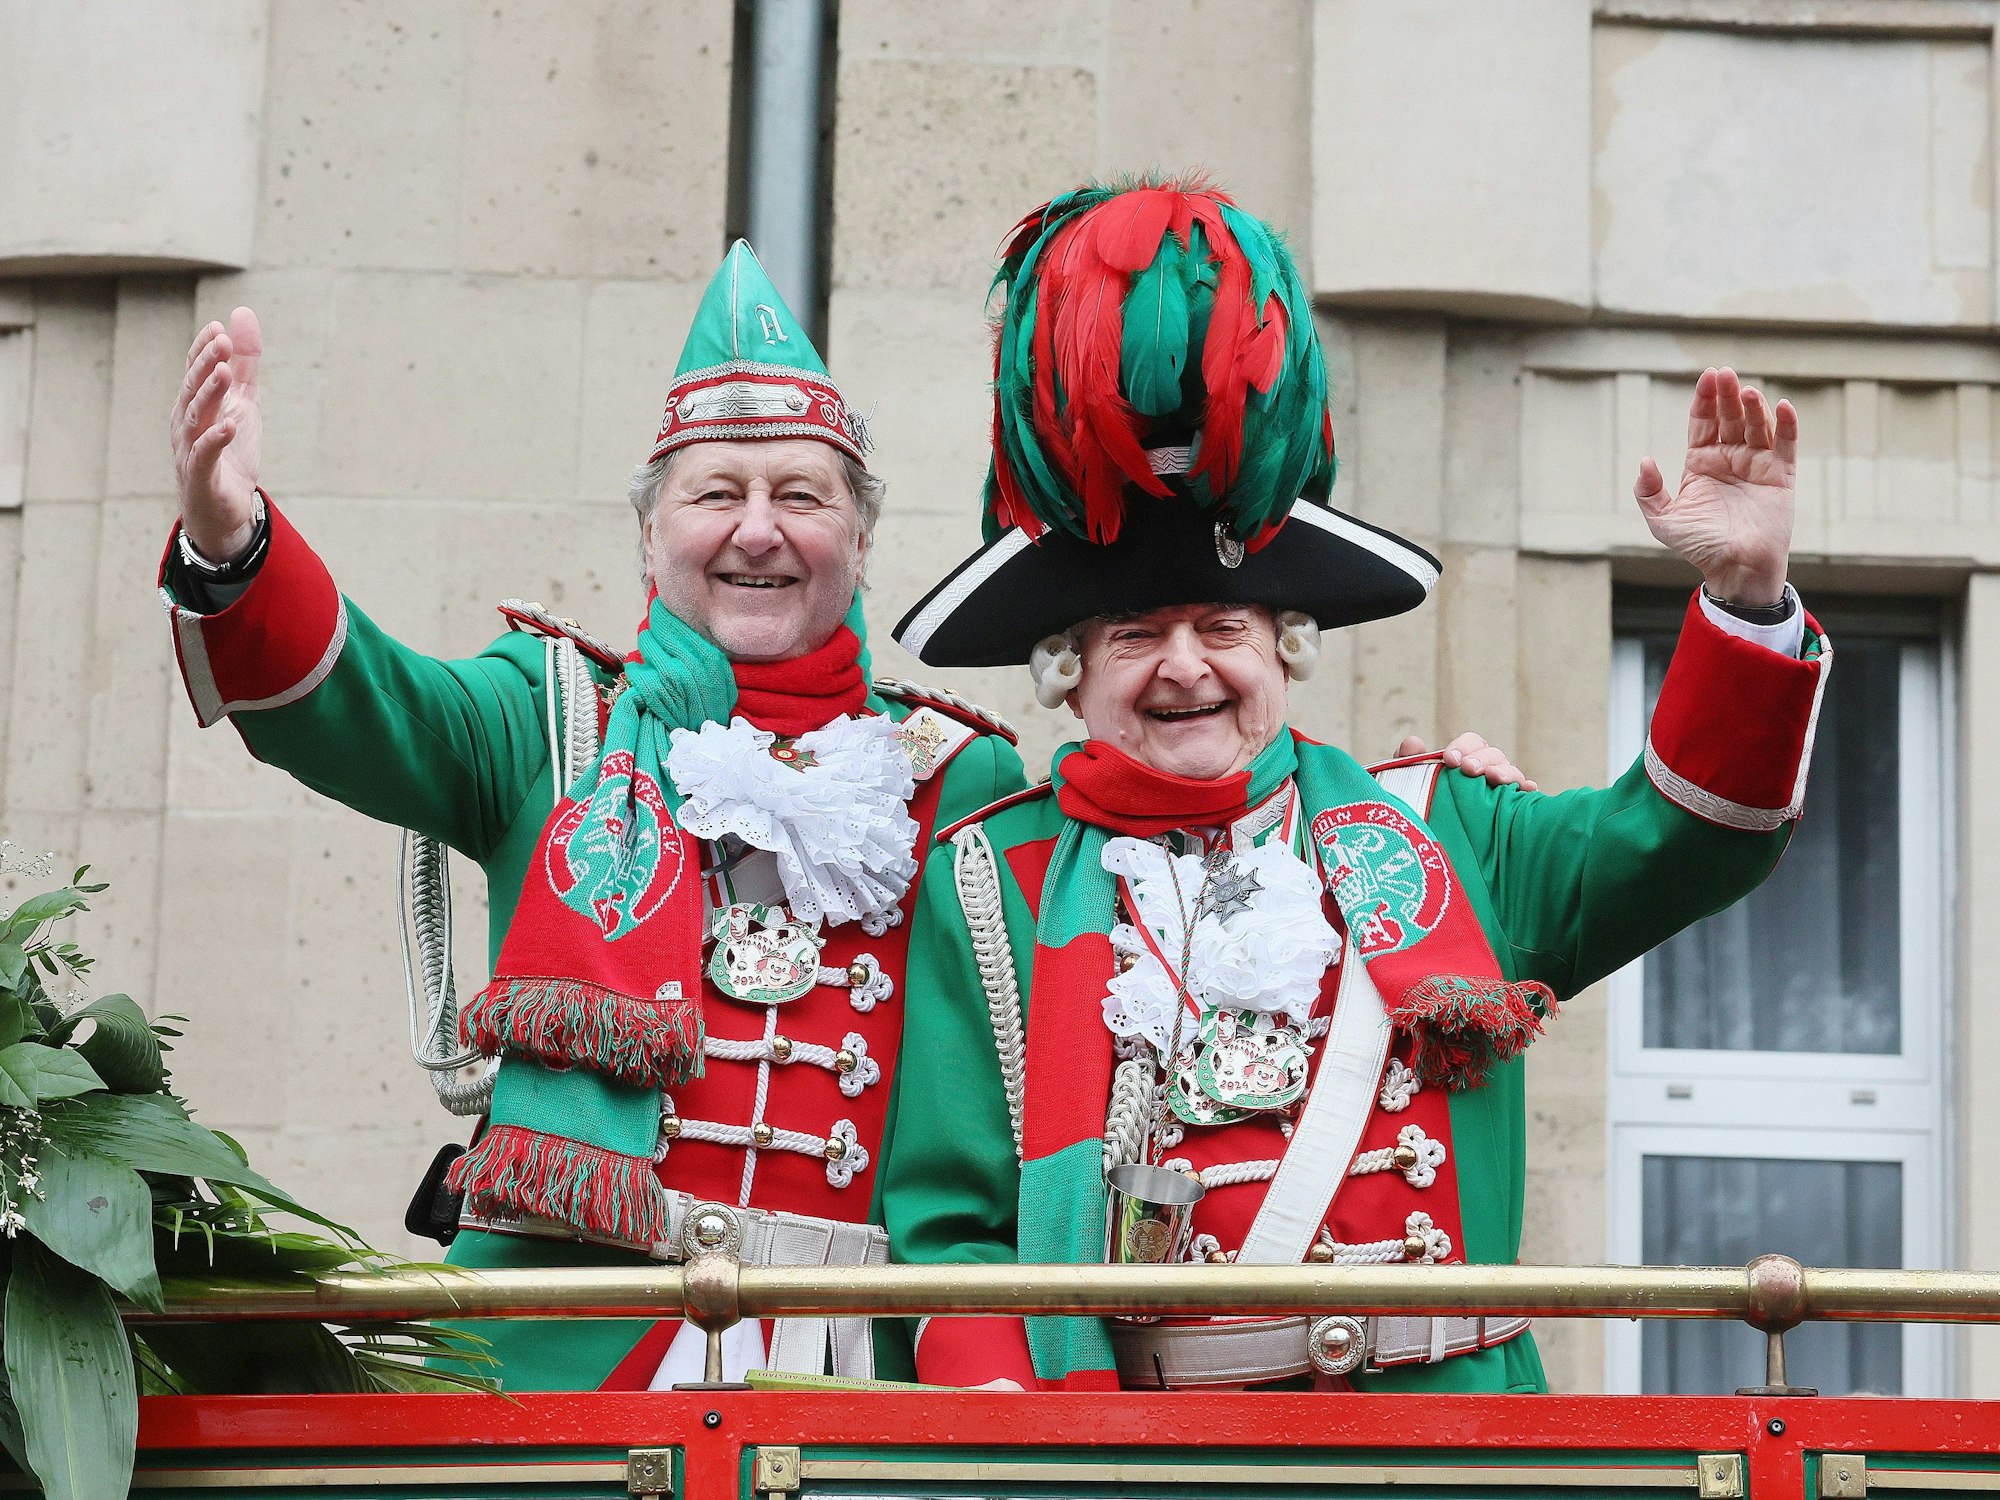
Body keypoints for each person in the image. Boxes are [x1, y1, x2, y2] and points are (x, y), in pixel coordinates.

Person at [878, 181, 1828, 1393]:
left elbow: (1687, 841)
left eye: (1221, 623)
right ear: (1068, 674)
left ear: (1287, 648)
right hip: (1140, 1472)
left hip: (1446, 1453)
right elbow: (948, 1239)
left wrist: (1743, 605)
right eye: (1131, 633)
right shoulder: (986, 880)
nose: (1184, 667)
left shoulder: (1447, 828)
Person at [159, 243, 1033, 1391]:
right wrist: (235, 545)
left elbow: (968, 1150)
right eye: (715, 493)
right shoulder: (553, 717)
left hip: (834, 1370)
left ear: (860, 541)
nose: (756, 530)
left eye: (800, 497)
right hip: (563, 1347)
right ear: (648, 534)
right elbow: (367, 706)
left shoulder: (954, 777)